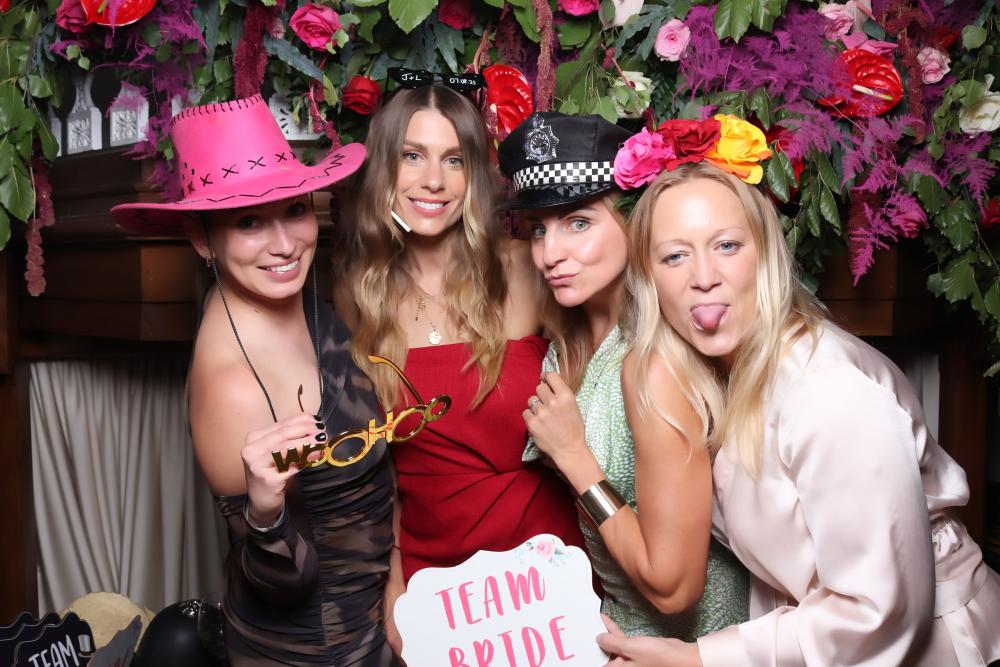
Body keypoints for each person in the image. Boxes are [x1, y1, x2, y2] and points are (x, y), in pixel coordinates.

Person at [596, 133, 1000, 665]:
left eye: (727, 246)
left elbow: (878, 609)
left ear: (765, 254)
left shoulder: (827, 389)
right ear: (650, 281)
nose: (704, 278)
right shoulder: (718, 374)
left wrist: (697, 658)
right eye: (675, 256)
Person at [111, 95, 398, 666]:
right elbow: (284, 583)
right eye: (248, 222)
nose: (285, 244)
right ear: (201, 239)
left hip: (380, 614)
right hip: (320, 651)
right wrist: (266, 517)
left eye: (294, 209)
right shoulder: (232, 387)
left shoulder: (298, 295)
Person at [331, 81, 586, 654]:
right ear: (383, 168)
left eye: (453, 160)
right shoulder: (357, 291)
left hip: (546, 573)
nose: (433, 181)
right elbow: (373, 466)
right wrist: (393, 580)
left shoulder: (526, 268)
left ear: (474, 174)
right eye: (412, 156)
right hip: (437, 584)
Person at [498, 112, 748, 641]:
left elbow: (675, 588)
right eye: (539, 229)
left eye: (579, 223)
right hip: (617, 630)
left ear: (634, 222)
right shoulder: (565, 347)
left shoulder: (653, 361)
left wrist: (574, 456)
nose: (549, 254)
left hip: (694, 644)